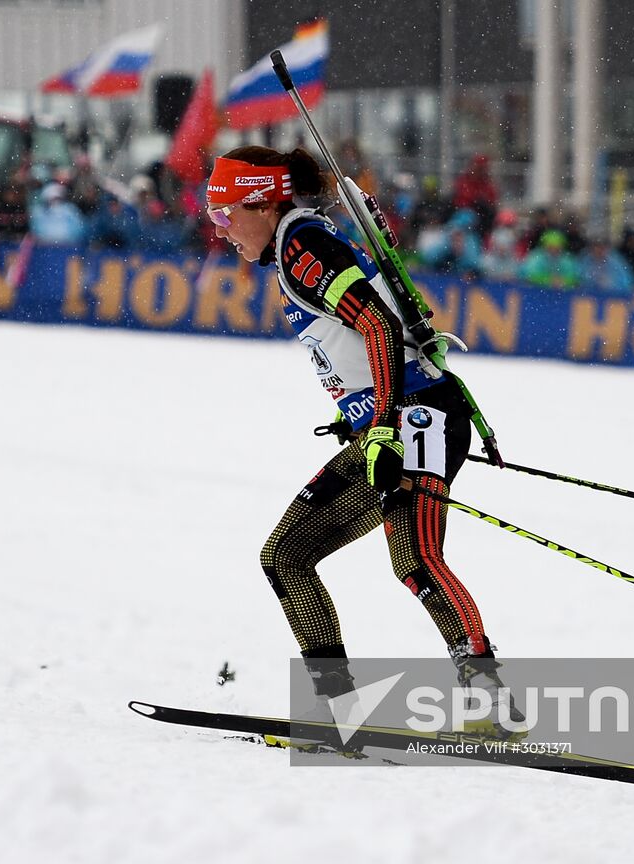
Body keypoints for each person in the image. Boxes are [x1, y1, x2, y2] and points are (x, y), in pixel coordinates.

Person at [204, 146, 521, 739]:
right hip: (401, 422)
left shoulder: (301, 248)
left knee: (416, 559)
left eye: (224, 214)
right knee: (287, 557)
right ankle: (341, 712)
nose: (220, 230)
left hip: (415, 420)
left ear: (259, 202)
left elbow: (375, 323)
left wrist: (378, 423)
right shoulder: (295, 245)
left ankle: (491, 704)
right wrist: (365, 417)